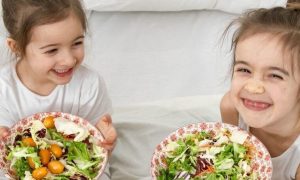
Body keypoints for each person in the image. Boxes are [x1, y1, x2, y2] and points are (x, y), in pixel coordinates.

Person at [0, 0, 117, 179]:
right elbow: (8, 161)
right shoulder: (4, 89)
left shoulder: (89, 84)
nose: (69, 60)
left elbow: (97, 156)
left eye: (77, 43)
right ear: (16, 47)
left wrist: (106, 143)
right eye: (52, 50)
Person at [220, 2, 300, 180]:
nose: (253, 87)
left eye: (275, 76)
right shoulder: (231, 108)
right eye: (244, 70)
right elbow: (233, 163)